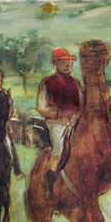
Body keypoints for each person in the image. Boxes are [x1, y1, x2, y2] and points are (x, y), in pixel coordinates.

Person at [36, 46, 84, 195]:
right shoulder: (47, 82)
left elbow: (82, 105)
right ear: (56, 63)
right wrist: (58, 115)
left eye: (70, 62)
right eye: (63, 62)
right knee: (59, 149)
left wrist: (76, 117)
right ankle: (49, 182)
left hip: (75, 122)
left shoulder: (76, 83)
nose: (68, 64)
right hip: (56, 123)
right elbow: (41, 107)